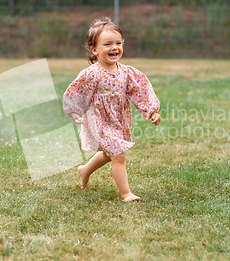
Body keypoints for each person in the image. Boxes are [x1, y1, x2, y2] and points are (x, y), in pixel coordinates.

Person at [63, 17, 161, 202]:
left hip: (117, 119)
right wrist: (75, 112)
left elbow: (140, 90)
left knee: (110, 153)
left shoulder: (127, 72)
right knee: (118, 155)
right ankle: (126, 193)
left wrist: (151, 111)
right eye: (107, 44)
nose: (114, 47)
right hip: (99, 119)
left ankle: (85, 170)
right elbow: (77, 91)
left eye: (118, 43)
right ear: (94, 50)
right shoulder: (91, 74)